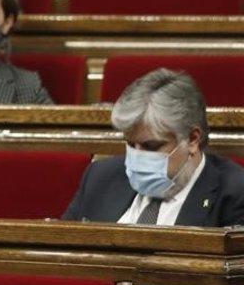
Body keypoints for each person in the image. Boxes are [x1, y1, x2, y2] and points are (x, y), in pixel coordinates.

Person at [63, 69, 244, 227]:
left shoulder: (234, 194)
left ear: (192, 139)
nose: (137, 157)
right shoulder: (100, 177)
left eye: (151, 146)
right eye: (131, 144)